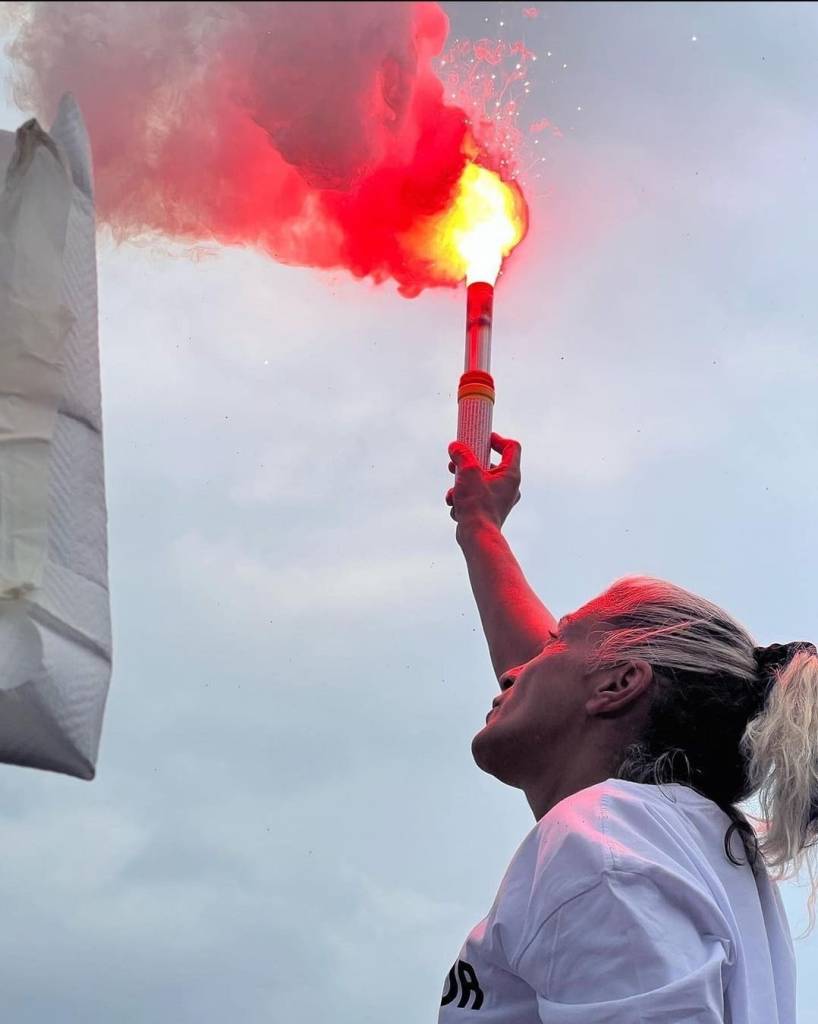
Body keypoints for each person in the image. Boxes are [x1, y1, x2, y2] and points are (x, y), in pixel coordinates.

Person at [438, 432, 818, 1022]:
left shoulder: (605, 848)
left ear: (618, 687)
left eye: (556, 642)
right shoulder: (674, 839)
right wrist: (479, 525)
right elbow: (567, 692)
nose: (516, 669)